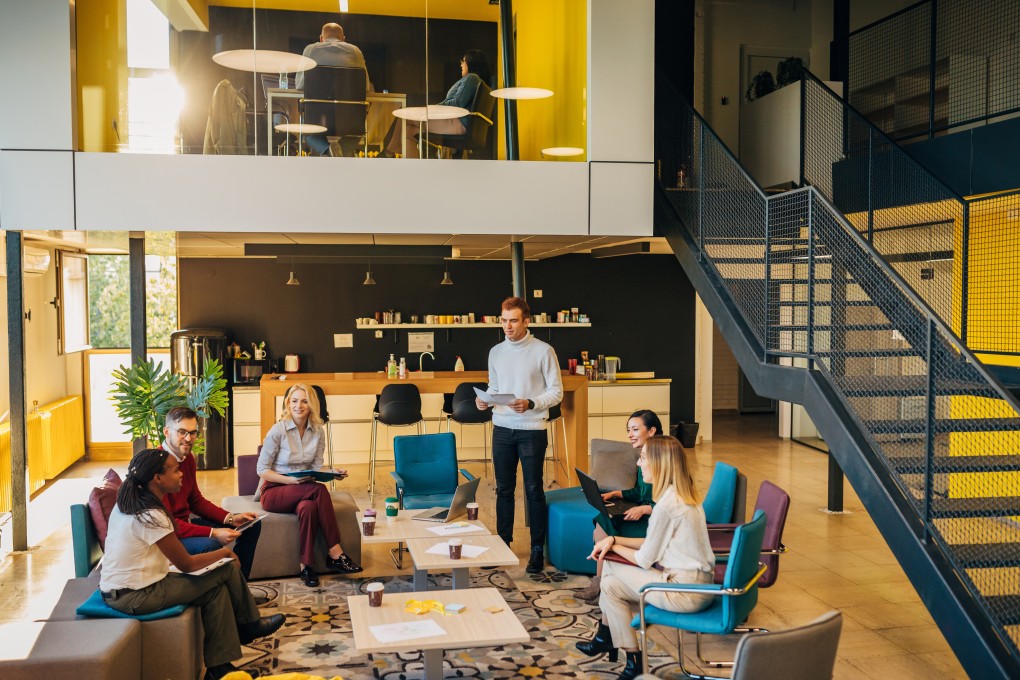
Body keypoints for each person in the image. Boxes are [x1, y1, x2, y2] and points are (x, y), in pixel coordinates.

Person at [100, 448, 285, 680]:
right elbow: (186, 564)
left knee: (215, 589)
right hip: (135, 594)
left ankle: (220, 668)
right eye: (175, 471)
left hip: (126, 587)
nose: (181, 475)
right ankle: (248, 626)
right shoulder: (151, 515)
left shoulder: (132, 502)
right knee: (225, 568)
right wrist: (224, 555)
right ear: (157, 478)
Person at [575, 436, 715, 680]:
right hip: (695, 585)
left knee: (607, 562)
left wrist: (610, 547)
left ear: (658, 464)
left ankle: (608, 639)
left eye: (642, 459)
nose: (639, 465)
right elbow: (652, 543)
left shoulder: (666, 506)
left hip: (684, 592)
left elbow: (644, 558)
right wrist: (614, 540)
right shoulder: (682, 495)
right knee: (609, 585)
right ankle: (631, 658)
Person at [475, 296, 563, 573]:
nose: (507, 326)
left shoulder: (544, 351)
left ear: (527, 321)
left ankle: (537, 549)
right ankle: (503, 543)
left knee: (534, 490)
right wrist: (485, 400)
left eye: (513, 320)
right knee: (503, 490)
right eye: (503, 320)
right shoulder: (496, 352)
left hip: (532, 430)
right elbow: (495, 386)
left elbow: (556, 392)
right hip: (501, 427)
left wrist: (532, 403)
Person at [256, 384, 362, 587]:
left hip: (304, 490)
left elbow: (316, 468)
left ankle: (305, 567)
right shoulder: (278, 430)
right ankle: (335, 552)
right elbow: (261, 469)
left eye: (304, 401)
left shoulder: (318, 432)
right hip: (275, 490)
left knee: (309, 507)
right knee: (319, 490)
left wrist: (332, 474)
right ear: (288, 403)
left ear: (312, 404)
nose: (299, 405)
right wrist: (290, 480)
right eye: (294, 401)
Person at [161, 406, 263, 583]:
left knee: (252, 525)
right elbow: (169, 525)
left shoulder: (188, 459)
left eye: (193, 433)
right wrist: (213, 532)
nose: (188, 439)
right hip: (169, 536)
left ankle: (239, 587)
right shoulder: (157, 466)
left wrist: (231, 518)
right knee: (212, 545)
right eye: (182, 432)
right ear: (166, 431)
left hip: (185, 525)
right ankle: (228, 593)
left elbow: (196, 501)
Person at [577, 409, 662, 602]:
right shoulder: (645, 458)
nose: (629, 435)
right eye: (628, 430)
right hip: (647, 514)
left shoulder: (661, 459)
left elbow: (672, 503)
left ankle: (602, 582)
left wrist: (646, 508)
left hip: (655, 521)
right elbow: (641, 492)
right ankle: (602, 580)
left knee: (605, 526)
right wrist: (616, 494)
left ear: (651, 431)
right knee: (602, 521)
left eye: (634, 429)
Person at [382, 49, 492, 158]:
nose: (461, 64)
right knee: (409, 131)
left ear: (471, 62)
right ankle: (411, 167)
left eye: (463, 61)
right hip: (457, 123)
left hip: (457, 123)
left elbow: (457, 103)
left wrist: (434, 108)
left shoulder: (471, 78)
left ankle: (389, 152)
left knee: (404, 116)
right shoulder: (475, 80)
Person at [296, 22, 372, 156]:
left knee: (308, 132)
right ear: (343, 39)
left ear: (321, 38)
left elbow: (300, 84)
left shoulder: (311, 49)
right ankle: (337, 152)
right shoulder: (355, 51)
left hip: (317, 116)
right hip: (349, 119)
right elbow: (365, 86)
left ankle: (327, 151)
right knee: (356, 132)